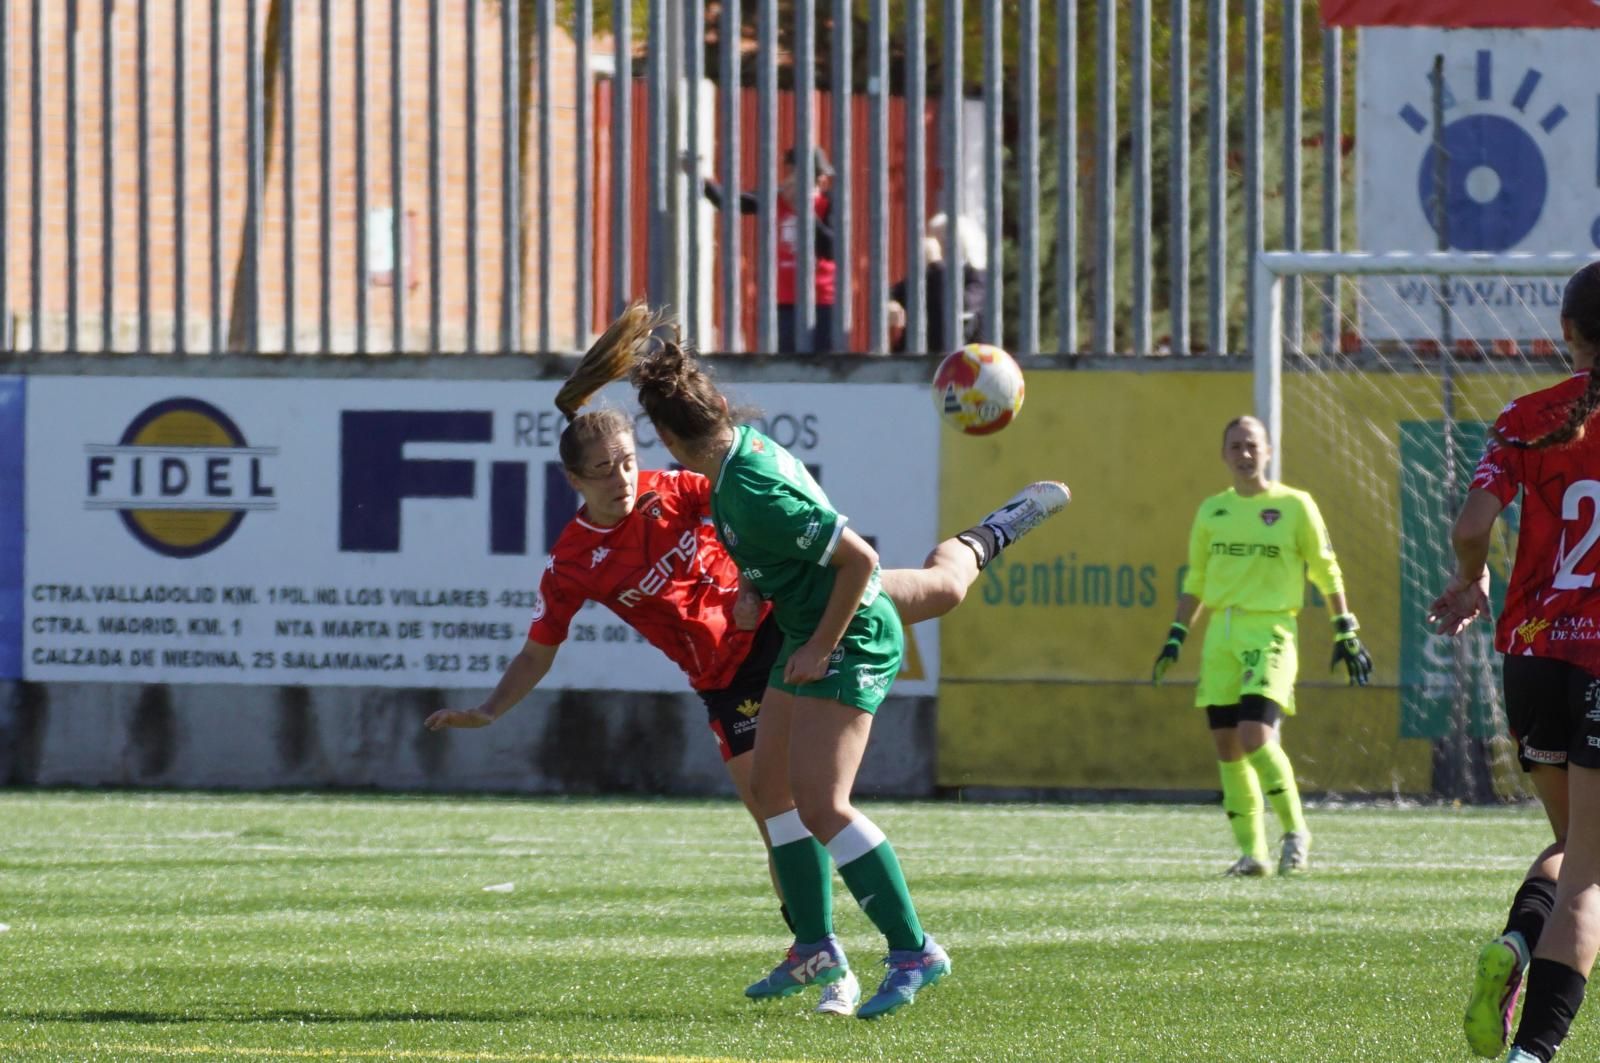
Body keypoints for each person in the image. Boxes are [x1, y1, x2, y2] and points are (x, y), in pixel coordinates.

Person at [427, 302, 1071, 1017]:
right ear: (575, 483)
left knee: (935, 604)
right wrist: (490, 707)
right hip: (734, 669)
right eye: (605, 471)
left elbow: (782, 521)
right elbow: (539, 647)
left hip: (787, 626)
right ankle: (819, 947)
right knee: (775, 806)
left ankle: (996, 529)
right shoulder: (576, 560)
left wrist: (761, 592)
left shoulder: (695, 486)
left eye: (630, 460)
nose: (624, 478)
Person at [1430, 262, 1600, 1063]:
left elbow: (1472, 524)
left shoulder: (1528, 417)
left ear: (1569, 336)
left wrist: (1472, 578)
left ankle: (1517, 944)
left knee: (1573, 843)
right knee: (1593, 873)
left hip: (1533, 653)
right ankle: (1532, 1054)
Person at [1151, 414, 1372, 877]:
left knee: (1255, 734)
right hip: (1221, 636)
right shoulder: (1213, 510)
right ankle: (1253, 854)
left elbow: (1325, 568)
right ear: (1224, 455)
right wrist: (1177, 634)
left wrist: (1344, 627)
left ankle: (1295, 830)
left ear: (1268, 451)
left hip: (1271, 631)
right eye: (1235, 446)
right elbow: (1196, 579)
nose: (1244, 454)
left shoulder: (1295, 506)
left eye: (1252, 445)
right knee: (1228, 747)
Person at [695, 145, 837, 354]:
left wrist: (804, 211)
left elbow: (831, 249)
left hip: (822, 301)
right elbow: (731, 202)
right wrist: (701, 177)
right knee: (785, 362)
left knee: (823, 364)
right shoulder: (774, 199)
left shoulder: (828, 203)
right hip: (783, 301)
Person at [887, 213, 989, 355]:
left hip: (961, 361)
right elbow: (893, 292)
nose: (928, 243)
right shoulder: (928, 275)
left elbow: (957, 306)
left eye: (937, 238)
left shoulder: (976, 276)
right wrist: (891, 303)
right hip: (915, 359)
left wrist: (936, 264)